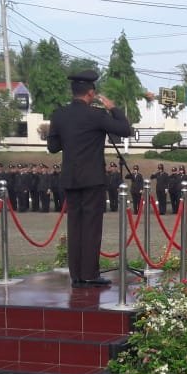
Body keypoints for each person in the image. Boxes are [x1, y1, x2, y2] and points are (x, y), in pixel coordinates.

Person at [47, 70, 133, 288]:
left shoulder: (59, 114)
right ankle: (90, 274)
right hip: (92, 178)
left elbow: (53, 147)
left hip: (70, 178)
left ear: (73, 92)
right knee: (92, 227)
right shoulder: (96, 115)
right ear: (91, 93)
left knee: (75, 225)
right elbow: (125, 130)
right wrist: (112, 108)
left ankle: (76, 274)